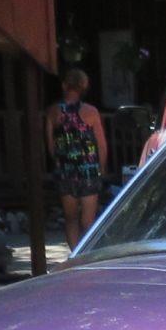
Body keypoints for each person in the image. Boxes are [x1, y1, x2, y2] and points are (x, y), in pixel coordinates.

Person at [48, 67, 109, 248]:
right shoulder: (91, 112)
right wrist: (102, 168)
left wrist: (60, 164)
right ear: (83, 86)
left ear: (65, 85)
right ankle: (86, 254)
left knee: (70, 218)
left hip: (65, 171)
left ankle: (74, 253)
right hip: (88, 170)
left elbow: (51, 145)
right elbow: (101, 145)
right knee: (88, 221)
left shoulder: (52, 112)